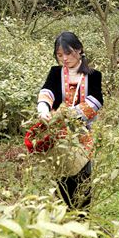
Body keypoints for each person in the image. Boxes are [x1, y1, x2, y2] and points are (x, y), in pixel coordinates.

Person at [36, 31, 103, 211]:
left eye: (68, 53)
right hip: (60, 134)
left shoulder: (94, 75)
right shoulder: (55, 73)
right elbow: (48, 91)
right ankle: (63, 212)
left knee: (83, 173)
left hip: (82, 133)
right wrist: (43, 107)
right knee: (62, 171)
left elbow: (96, 101)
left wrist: (71, 114)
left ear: (79, 50)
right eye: (59, 55)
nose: (64, 58)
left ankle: (82, 214)